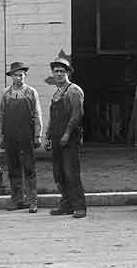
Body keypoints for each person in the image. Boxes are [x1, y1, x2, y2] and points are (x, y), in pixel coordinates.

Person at [46, 50, 86, 218]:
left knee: (71, 172)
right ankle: (66, 204)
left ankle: (79, 206)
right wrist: (48, 136)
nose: (59, 74)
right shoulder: (56, 93)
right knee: (59, 173)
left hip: (69, 138)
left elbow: (77, 115)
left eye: (62, 71)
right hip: (56, 137)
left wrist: (67, 134)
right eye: (56, 71)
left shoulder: (73, 91)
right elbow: (52, 118)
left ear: (67, 73)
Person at [0, 60, 42, 213]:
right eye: (15, 75)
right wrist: (0, 134)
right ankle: (17, 199)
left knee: (29, 168)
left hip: (26, 134)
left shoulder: (31, 92)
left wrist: (38, 134)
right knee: (13, 167)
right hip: (10, 135)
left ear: (25, 75)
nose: (18, 78)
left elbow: (37, 114)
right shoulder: (6, 93)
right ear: (11, 76)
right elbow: (1, 114)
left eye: (21, 75)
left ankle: (32, 201)